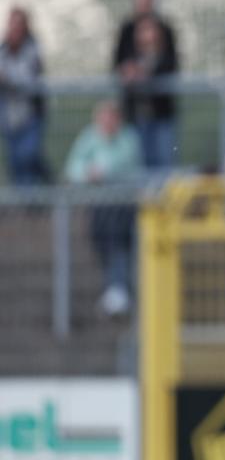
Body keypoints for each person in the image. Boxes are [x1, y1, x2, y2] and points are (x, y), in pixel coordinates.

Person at [64, 101, 142, 316]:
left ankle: (120, 289)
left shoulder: (128, 137)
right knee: (102, 244)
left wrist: (98, 171)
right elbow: (73, 167)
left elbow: (121, 163)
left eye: (111, 117)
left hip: (123, 206)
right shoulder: (90, 137)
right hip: (99, 207)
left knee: (118, 244)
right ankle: (115, 287)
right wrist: (87, 173)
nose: (106, 123)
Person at [117, 15, 179, 170]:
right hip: (137, 117)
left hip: (161, 117)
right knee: (139, 162)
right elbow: (120, 70)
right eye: (143, 30)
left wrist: (144, 72)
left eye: (151, 30)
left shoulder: (165, 55)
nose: (148, 35)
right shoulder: (129, 55)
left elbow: (168, 69)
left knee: (164, 161)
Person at [0, 6, 49, 185]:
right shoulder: (3, 49)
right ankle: (25, 203)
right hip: (10, 117)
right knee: (15, 162)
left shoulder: (34, 47)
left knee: (28, 155)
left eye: (18, 24)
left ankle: (41, 188)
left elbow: (30, 77)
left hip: (31, 115)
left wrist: (7, 78)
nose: (15, 28)